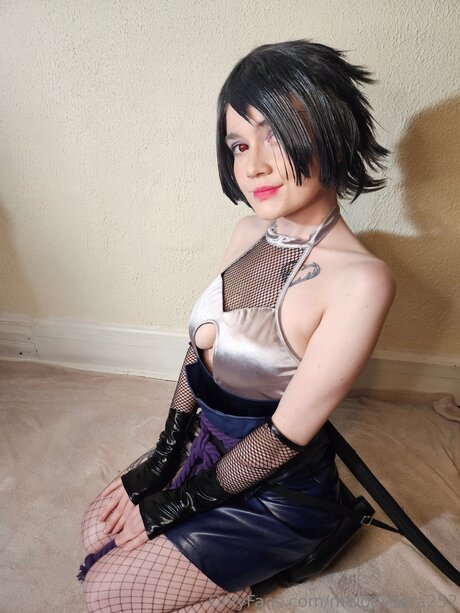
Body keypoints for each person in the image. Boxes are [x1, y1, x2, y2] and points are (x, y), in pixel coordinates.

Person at [79, 39, 396, 612]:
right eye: (239, 144)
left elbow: (283, 437)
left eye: (277, 135)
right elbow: (200, 349)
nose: (253, 166)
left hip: (276, 492)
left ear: (330, 130)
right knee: (96, 532)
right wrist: (164, 457)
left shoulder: (361, 281)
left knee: (107, 596)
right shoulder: (248, 233)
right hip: (211, 451)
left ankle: (302, 550)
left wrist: (173, 506)